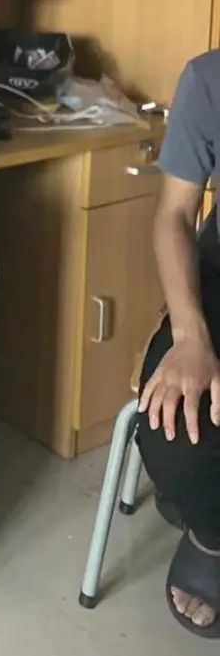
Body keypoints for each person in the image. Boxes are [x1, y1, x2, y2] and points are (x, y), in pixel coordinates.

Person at [138, 49, 220, 638]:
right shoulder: (209, 79)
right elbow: (173, 215)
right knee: (176, 431)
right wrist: (190, 336)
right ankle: (212, 535)